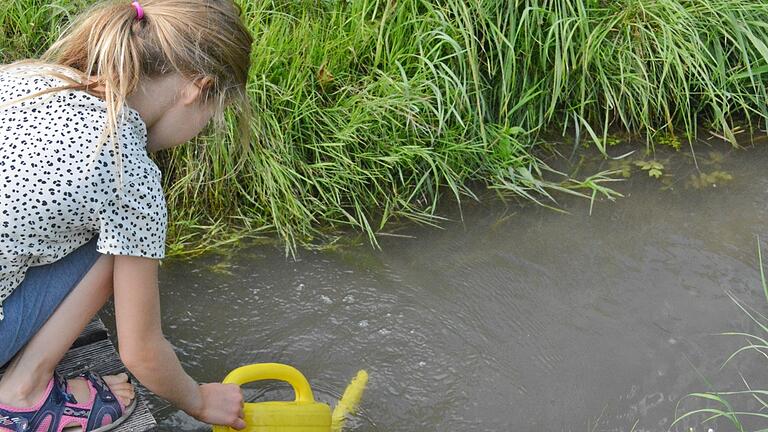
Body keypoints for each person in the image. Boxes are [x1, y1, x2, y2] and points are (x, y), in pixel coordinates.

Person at [0, 0, 253, 430]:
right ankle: (21, 393)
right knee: (119, 246)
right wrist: (200, 401)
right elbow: (141, 351)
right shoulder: (126, 171)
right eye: (211, 117)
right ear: (197, 88)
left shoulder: (30, 77)